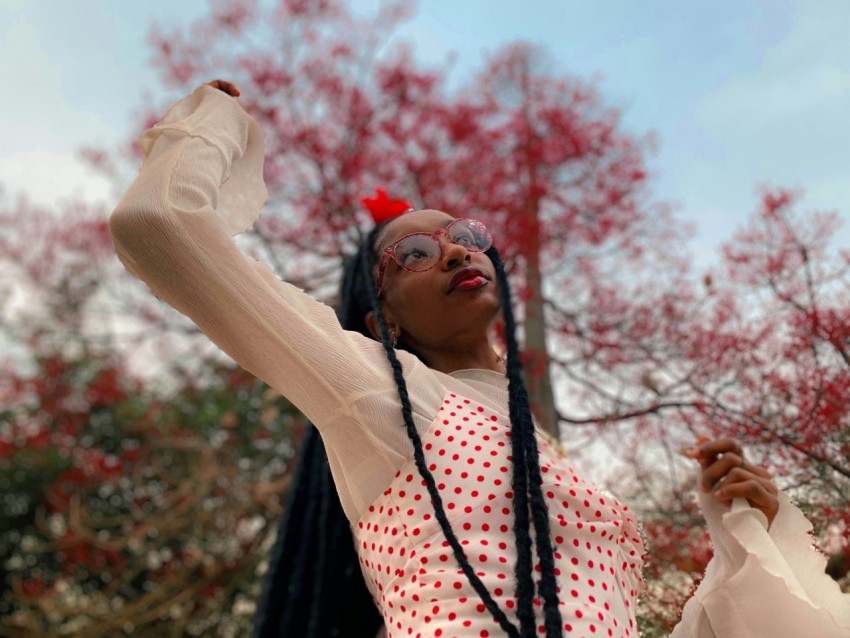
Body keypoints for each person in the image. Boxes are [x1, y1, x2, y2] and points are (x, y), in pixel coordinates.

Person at [109, 80, 850, 637]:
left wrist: (745, 537)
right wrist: (213, 123)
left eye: (464, 234)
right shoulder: (374, 394)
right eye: (415, 252)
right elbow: (159, 223)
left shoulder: (550, 455)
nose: (458, 248)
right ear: (382, 319)